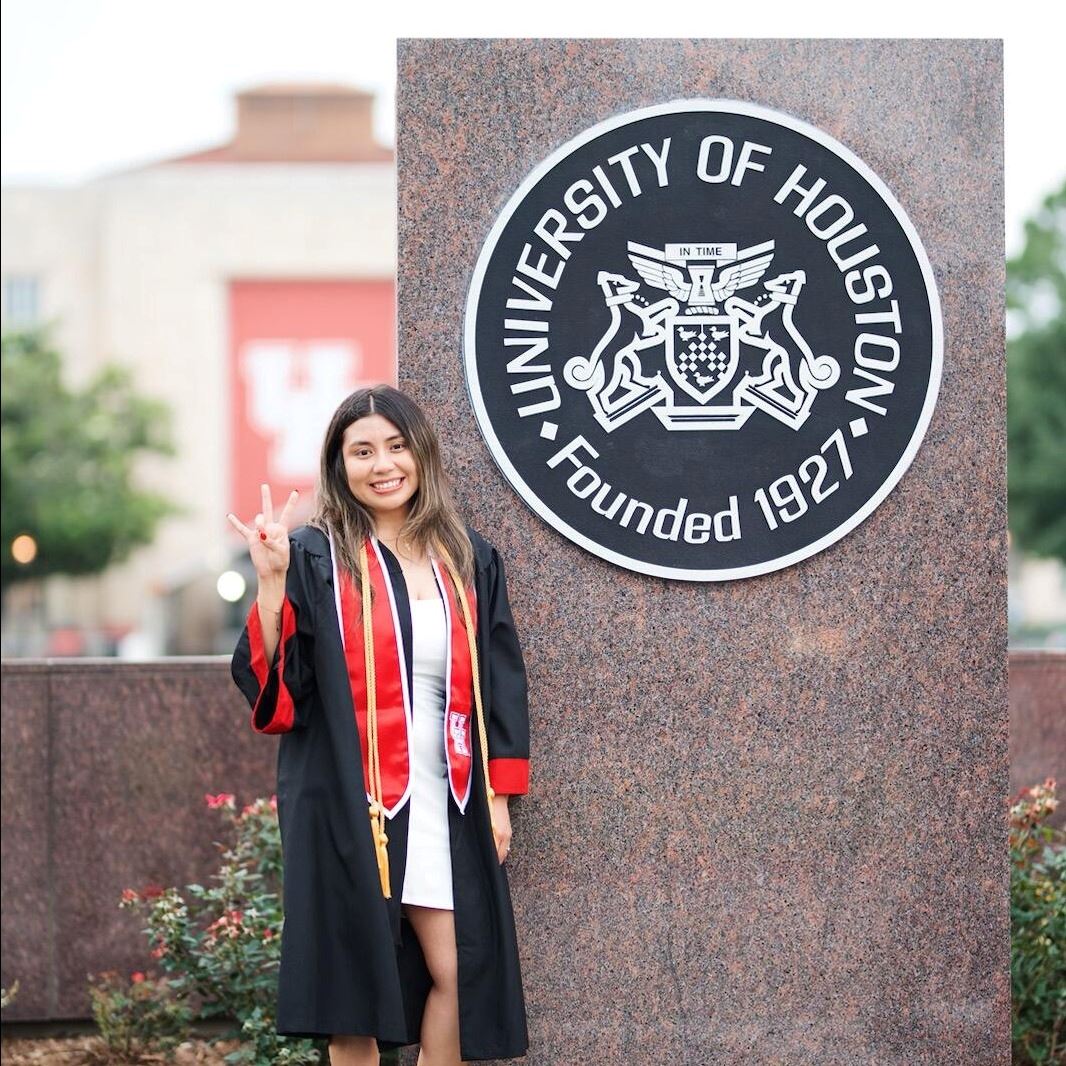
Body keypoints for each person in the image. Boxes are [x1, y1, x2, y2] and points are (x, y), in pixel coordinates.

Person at [227, 385, 530, 1065]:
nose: (382, 464)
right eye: (361, 451)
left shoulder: (466, 557)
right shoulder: (316, 557)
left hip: (446, 794)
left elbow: (500, 678)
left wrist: (499, 795)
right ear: (340, 465)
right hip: (344, 795)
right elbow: (281, 689)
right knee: (353, 1000)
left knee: (461, 970)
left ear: (421, 453)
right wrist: (272, 581)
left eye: (396, 446)